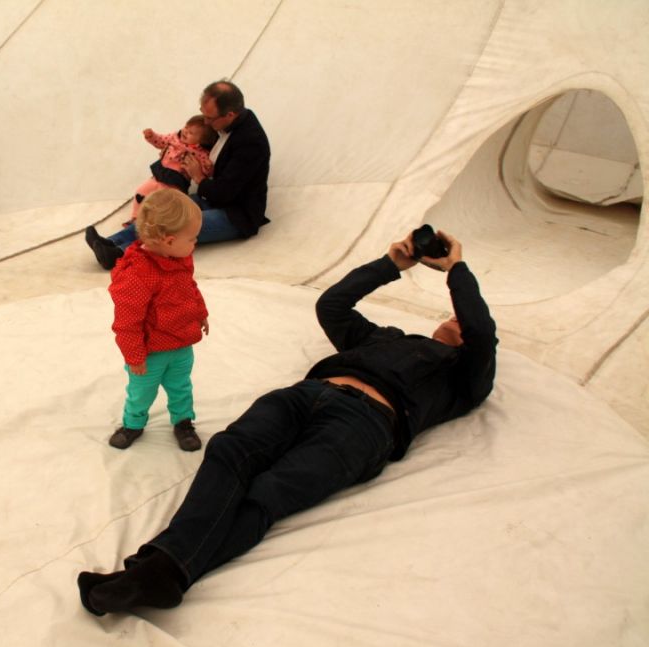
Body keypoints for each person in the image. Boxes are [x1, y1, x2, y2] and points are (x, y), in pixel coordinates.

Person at [78, 229, 497, 616]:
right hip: (304, 396)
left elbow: (480, 329)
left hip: (366, 424)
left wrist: (456, 269)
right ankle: (158, 576)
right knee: (229, 450)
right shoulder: (385, 337)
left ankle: (154, 571)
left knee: (269, 491)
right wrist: (390, 265)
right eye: (454, 314)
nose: (457, 318)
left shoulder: (462, 378)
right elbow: (331, 305)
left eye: (463, 321)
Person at [85, 80, 270, 270]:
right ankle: (111, 242)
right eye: (203, 114)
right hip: (211, 199)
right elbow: (199, 146)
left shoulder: (251, 142)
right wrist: (173, 153)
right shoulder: (223, 124)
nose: (205, 122)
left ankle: (119, 254)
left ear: (230, 114)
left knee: (173, 225)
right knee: (163, 209)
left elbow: (224, 193)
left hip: (236, 214)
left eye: (210, 118)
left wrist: (198, 177)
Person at [107, 188, 210, 452]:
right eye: (192, 238)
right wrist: (134, 355)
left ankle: (183, 422)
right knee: (141, 392)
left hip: (181, 344)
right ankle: (133, 423)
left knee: (181, 387)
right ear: (169, 240)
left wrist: (201, 313)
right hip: (149, 353)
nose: (195, 244)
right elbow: (127, 321)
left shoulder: (180, 258)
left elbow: (189, 287)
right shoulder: (137, 274)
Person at [127, 115, 218, 220]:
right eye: (186, 127)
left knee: (164, 203)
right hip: (158, 175)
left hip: (175, 182)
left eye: (191, 133)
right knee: (141, 192)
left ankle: (153, 221)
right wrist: (152, 136)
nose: (185, 132)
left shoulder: (200, 153)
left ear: (200, 142)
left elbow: (205, 170)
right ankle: (136, 217)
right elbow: (160, 140)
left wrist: (208, 167)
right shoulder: (174, 137)